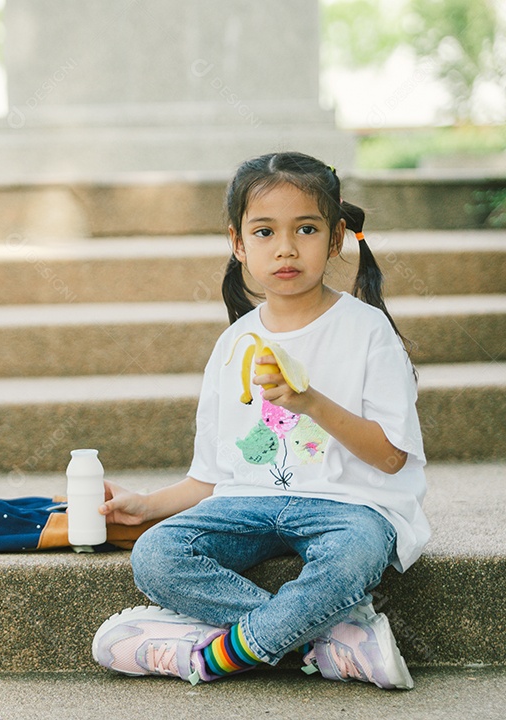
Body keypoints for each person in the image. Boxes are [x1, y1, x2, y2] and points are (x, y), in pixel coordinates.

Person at [90, 151, 429, 690]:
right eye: (265, 232)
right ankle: (327, 642)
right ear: (239, 244)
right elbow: (211, 477)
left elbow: (390, 458)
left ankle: (215, 656)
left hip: (349, 507)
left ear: (336, 239)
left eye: (307, 229)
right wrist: (146, 505)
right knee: (156, 554)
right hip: (248, 503)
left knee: (352, 559)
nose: (286, 248)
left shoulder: (366, 332)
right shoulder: (233, 344)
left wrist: (311, 403)